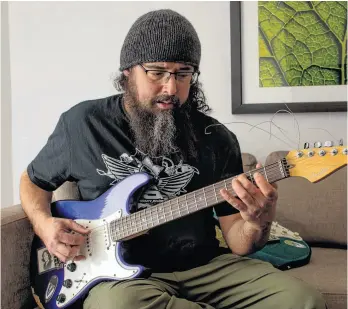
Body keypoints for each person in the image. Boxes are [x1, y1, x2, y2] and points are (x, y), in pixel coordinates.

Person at [20, 9, 327, 309]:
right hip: (126, 281)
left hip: (206, 266)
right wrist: (44, 224)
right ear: (128, 70)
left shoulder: (217, 139)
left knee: (303, 300)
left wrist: (258, 221)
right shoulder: (83, 124)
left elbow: (239, 242)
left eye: (183, 74)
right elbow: (33, 181)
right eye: (157, 72)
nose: (171, 88)